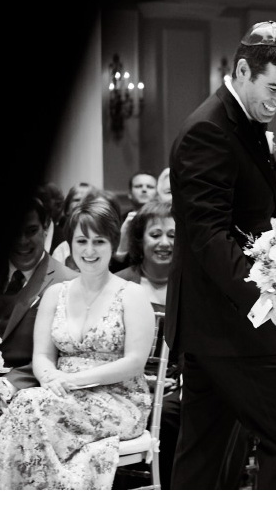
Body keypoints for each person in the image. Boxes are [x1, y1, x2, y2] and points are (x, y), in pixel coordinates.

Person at [164, 20, 276, 490]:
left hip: (220, 325)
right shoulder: (208, 130)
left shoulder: (246, 123)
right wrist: (269, 302)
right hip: (227, 324)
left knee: (205, 454)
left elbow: (256, 221)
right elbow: (209, 237)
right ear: (241, 70)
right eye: (273, 88)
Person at [0, 195, 155, 489]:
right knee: (30, 403)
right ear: (69, 244)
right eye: (81, 241)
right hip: (61, 396)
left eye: (98, 241)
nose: (89, 250)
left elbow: (134, 363)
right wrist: (50, 378)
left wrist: (73, 380)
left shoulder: (131, 295)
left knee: (31, 407)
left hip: (119, 399)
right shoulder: (55, 293)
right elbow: (42, 356)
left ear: (113, 243)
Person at [0, 187, 79, 489]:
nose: (22, 241)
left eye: (31, 231)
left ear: (46, 229)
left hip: (23, 390)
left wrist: (8, 386)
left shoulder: (66, 282)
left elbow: (63, 357)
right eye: (14, 232)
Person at [114, 199, 179, 489]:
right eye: (155, 235)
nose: (164, 242)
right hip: (126, 386)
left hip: (177, 388)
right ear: (140, 239)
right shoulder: (120, 285)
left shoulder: (193, 285)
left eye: (173, 235)